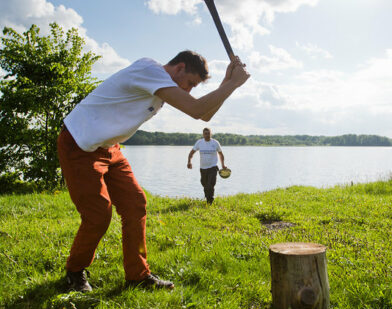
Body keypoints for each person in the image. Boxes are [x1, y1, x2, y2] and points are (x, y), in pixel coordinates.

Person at [58, 50, 250, 292]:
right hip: (79, 143)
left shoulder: (159, 84)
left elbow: (205, 113)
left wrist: (228, 84)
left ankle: (138, 275)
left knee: (135, 203)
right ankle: (75, 271)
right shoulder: (149, 70)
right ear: (179, 67)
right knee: (98, 213)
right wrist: (233, 82)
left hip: (108, 147)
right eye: (190, 83)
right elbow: (197, 109)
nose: (188, 91)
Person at [187, 128, 226, 204]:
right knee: (204, 184)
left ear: (211, 134)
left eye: (208, 133)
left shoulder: (215, 143)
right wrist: (189, 162)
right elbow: (191, 153)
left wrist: (223, 165)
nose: (207, 135)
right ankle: (208, 198)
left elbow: (221, 154)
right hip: (203, 168)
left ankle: (210, 200)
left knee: (210, 184)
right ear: (203, 134)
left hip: (213, 167)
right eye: (205, 133)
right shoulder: (199, 142)